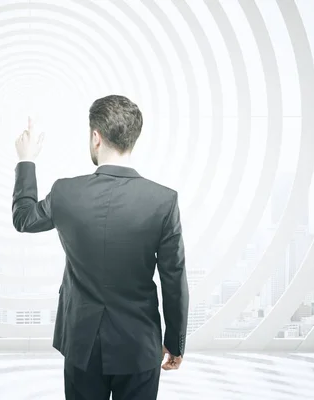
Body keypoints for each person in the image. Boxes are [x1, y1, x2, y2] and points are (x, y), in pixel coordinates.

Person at [12, 95, 189, 399]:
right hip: (139, 344)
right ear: (133, 138)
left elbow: (24, 218)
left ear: (96, 137)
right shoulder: (163, 200)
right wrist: (174, 342)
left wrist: (26, 160)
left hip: (82, 344)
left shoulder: (66, 192)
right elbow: (174, 279)